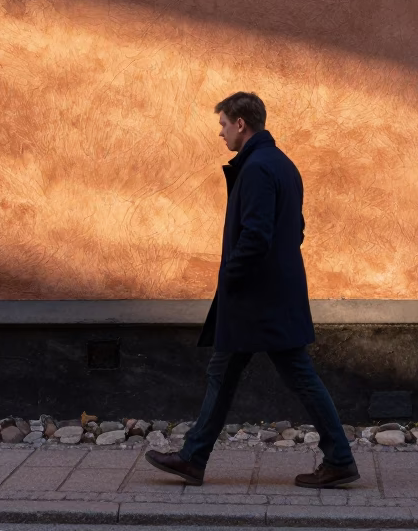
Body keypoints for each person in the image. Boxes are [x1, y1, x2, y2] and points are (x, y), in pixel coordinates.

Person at [144, 92, 359, 489]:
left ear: (241, 123)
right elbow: (296, 231)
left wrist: (231, 275)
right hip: (270, 293)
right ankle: (193, 458)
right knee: (227, 373)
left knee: (294, 375)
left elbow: (256, 236)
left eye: (223, 124)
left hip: (256, 297)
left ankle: (340, 458)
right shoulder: (282, 164)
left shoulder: (258, 168)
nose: (221, 133)